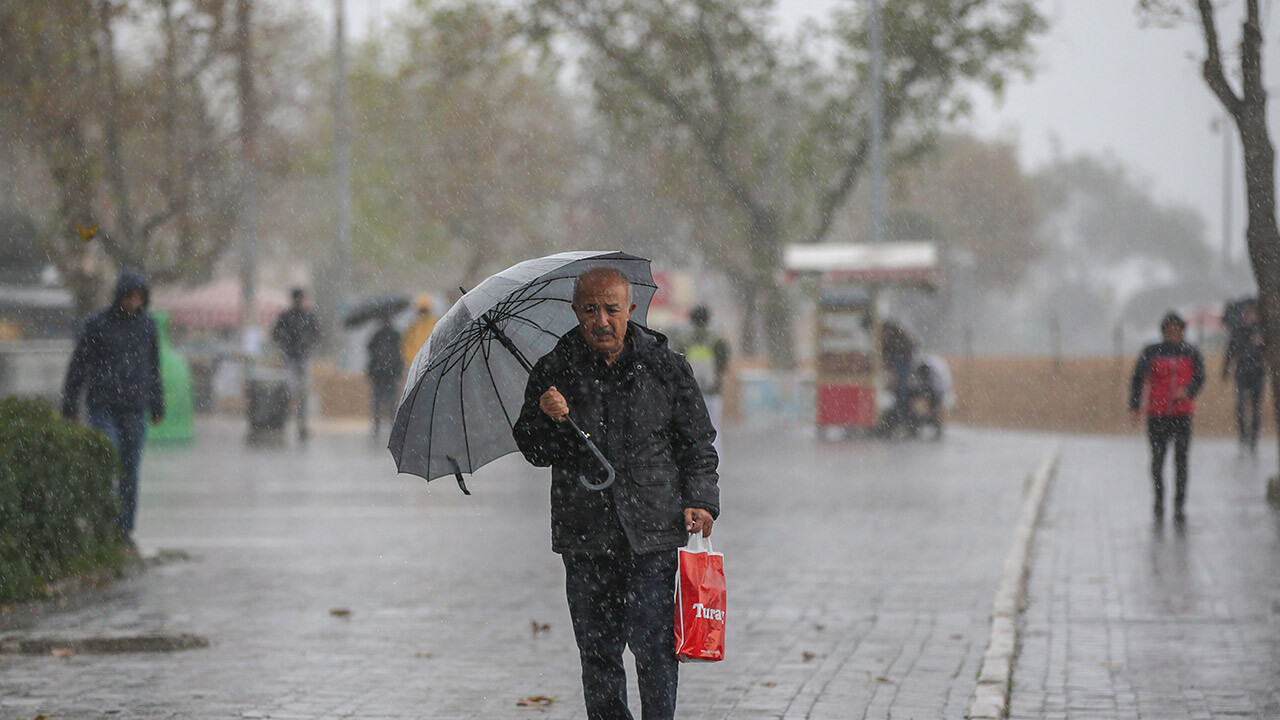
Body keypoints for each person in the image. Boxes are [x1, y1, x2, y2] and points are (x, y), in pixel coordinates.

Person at [512, 267, 719, 720]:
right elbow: (533, 449)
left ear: (630, 309)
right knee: (598, 653)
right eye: (590, 310)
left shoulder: (666, 367)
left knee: (655, 649)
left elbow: (697, 443)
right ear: (576, 313)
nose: (601, 320)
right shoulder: (554, 370)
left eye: (611, 309)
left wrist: (701, 500)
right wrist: (547, 417)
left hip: (654, 534)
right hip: (586, 536)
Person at [61, 269, 165, 536]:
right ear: (120, 296)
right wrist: (70, 404)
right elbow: (78, 365)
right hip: (103, 404)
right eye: (129, 296)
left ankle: (124, 529)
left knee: (130, 470)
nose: (133, 302)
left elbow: (153, 367)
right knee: (108, 458)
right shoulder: (97, 324)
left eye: (138, 297)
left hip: (134, 406)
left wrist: (157, 403)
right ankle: (103, 522)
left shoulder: (147, 326)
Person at [1129, 311, 1205, 522]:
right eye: (1168, 329)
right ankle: (1159, 501)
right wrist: (1135, 406)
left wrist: (1188, 391)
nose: (1172, 332)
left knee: (1181, 461)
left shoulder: (1191, 352)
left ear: (1182, 330)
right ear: (1163, 331)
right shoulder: (1151, 351)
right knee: (1157, 461)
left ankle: (1179, 504)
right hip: (1157, 414)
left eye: (1176, 329)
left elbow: (1200, 377)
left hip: (1182, 415)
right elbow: (1138, 379)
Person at [677, 305, 730, 457]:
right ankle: (715, 465)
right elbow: (723, 363)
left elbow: (677, 364)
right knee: (714, 429)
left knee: (691, 430)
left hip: (690, 393)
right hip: (712, 392)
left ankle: (695, 463)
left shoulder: (685, 340)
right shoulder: (716, 339)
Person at [271, 288, 321, 441]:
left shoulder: (308, 316)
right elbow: (275, 333)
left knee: (303, 392)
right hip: (291, 358)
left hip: (302, 358)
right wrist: (286, 339)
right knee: (290, 391)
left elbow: (317, 333)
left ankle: (302, 424)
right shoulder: (287, 316)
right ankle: (284, 421)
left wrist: (306, 340)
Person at [1223, 299, 1266, 454]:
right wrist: (1226, 369)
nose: (1249, 316)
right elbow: (1230, 351)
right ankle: (1243, 434)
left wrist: (1261, 343)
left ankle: (1254, 437)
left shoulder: (1261, 331)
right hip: (1241, 372)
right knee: (1241, 405)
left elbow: (1268, 351)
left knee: (1255, 408)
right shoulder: (1238, 331)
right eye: (1247, 314)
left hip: (1258, 373)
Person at [366, 315, 403, 439]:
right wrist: (398, 370)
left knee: (377, 399)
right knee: (392, 399)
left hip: (379, 372)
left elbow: (369, 349)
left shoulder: (376, 335)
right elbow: (400, 351)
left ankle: (377, 424)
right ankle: (393, 424)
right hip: (390, 372)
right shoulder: (396, 334)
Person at [401, 293, 437, 368]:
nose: (423, 313)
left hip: (426, 360)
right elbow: (407, 344)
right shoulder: (414, 325)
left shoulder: (433, 323)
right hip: (418, 361)